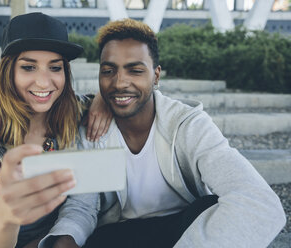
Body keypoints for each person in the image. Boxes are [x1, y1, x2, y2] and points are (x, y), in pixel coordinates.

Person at [40, 18, 286, 248]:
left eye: (135, 70)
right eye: (109, 71)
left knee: (209, 207)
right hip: (123, 234)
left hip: (183, 232)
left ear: (156, 75)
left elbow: (260, 203)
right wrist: (65, 241)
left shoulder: (188, 126)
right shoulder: (94, 130)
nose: (119, 82)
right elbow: (84, 206)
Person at [0, 12, 111, 248]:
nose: (44, 82)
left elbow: (121, 97)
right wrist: (6, 212)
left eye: (55, 67)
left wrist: (103, 101)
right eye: (29, 67)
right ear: (7, 72)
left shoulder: (76, 110)